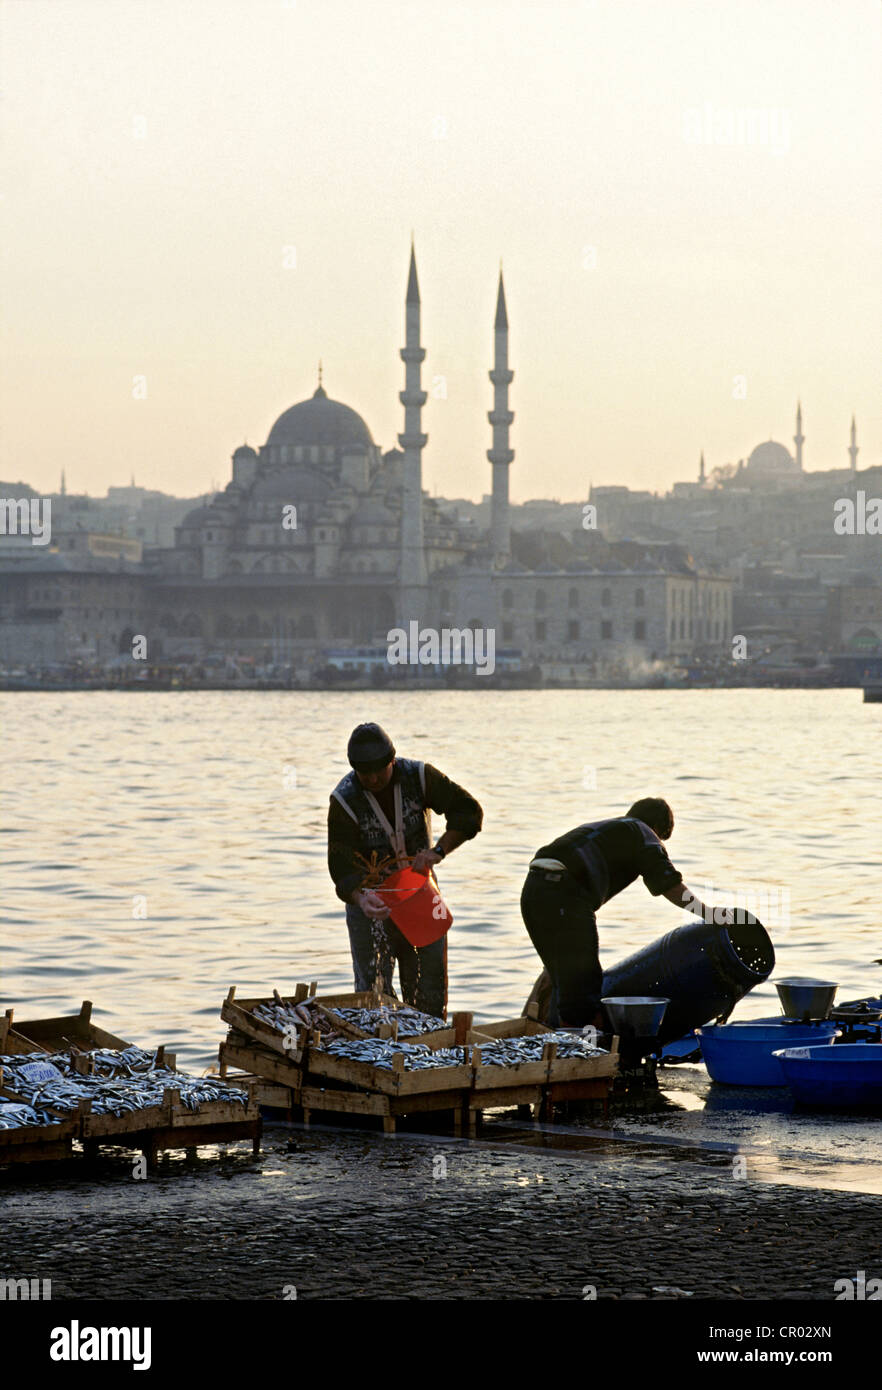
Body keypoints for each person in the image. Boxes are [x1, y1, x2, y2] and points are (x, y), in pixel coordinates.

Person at [327, 722, 483, 1017]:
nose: (373, 779)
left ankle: (431, 1047)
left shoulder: (421, 777)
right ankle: (382, 1049)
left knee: (430, 988)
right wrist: (360, 898)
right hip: (372, 904)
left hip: (420, 896)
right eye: (365, 774)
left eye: (379, 770)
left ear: (393, 761)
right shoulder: (344, 800)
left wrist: (438, 851)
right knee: (373, 994)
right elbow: (340, 866)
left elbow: (469, 812)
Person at [520, 797, 716, 1029]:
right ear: (659, 828)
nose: (660, 843)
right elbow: (667, 883)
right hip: (564, 892)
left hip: (533, 890)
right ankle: (581, 1052)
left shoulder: (607, 827)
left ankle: (537, 1036)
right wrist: (708, 913)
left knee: (559, 975)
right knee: (584, 983)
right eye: (662, 838)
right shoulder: (643, 832)